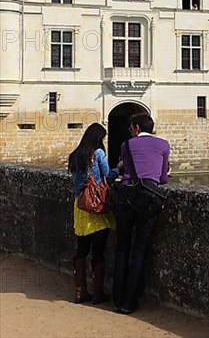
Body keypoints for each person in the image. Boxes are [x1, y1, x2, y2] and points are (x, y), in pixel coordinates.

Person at [113, 113, 170, 314]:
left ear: (136, 128)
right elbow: (162, 179)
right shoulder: (164, 145)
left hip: (126, 198)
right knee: (139, 251)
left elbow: (125, 170)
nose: (130, 131)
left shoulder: (126, 145)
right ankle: (129, 303)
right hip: (148, 201)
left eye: (130, 128)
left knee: (122, 249)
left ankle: (117, 300)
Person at [68, 122, 120, 305]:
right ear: (99, 139)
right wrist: (119, 167)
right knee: (98, 251)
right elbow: (107, 177)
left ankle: (80, 292)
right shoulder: (98, 154)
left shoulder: (74, 156)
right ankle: (98, 293)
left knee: (82, 249)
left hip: (81, 206)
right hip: (97, 206)